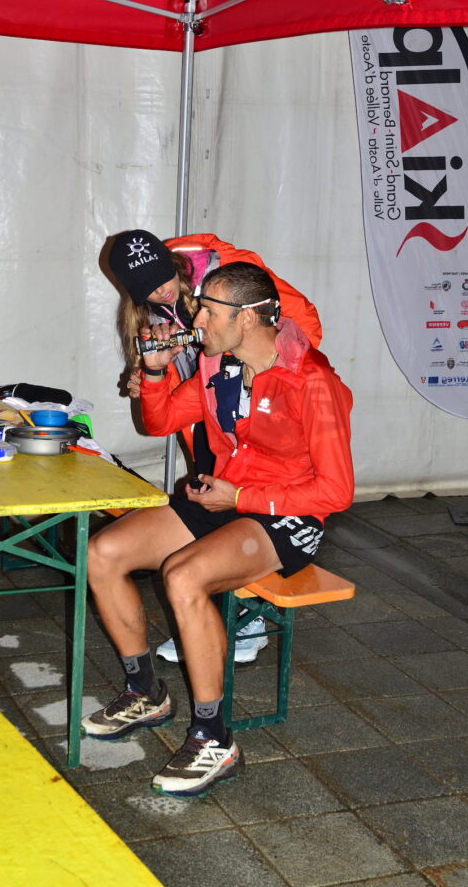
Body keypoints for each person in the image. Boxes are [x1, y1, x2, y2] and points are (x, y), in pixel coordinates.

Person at [82, 261, 353, 798]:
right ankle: (146, 693)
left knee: (182, 578)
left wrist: (245, 497)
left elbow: (336, 492)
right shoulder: (217, 369)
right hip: (225, 500)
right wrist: (156, 374)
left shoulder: (313, 381)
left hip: (285, 516)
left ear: (249, 318)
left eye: (210, 309)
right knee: (103, 553)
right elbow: (159, 423)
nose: (196, 316)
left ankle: (213, 738)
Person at [107, 228, 323, 664]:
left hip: (258, 399)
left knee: (246, 500)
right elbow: (167, 401)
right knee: (214, 500)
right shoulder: (155, 312)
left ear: (174, 262)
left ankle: (243, 618)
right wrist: (151, 377)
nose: (159, 289)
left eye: (161, 277)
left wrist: (264, 375)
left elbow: (305, 326)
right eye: (146, 289)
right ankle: (209, 617)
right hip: (209, 408)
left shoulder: (228, 276)